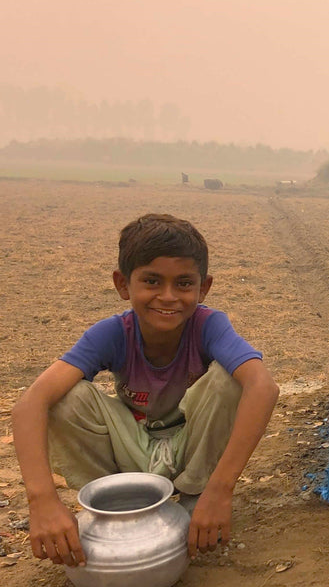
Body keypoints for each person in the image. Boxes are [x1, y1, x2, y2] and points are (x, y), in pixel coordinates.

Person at [12, 213, 280, 565]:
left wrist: (221, 490)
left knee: (231, 381)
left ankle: (195, 497)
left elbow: (263, 387)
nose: (168, 297)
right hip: (134, 447)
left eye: (184, 284)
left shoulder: (208, 326)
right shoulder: (112, 334)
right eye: (152, 281)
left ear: (204, 288)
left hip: (190, 447)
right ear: (123, 284)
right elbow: (29, 404)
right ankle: (117, 505)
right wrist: (42, 501)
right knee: (66, 398)